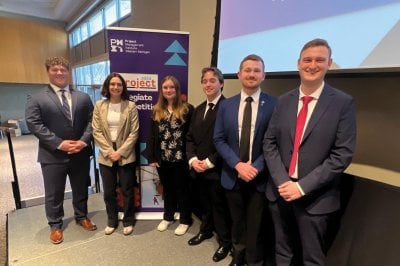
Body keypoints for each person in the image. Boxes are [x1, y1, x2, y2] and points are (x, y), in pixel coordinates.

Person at [263, 38, 357, 265]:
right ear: (298, 63)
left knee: (312, 258)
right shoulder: (283, 101)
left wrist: (301, 187)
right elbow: (269, 143)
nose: (312, 65)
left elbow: (342, 155)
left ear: (329, 63)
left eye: (319, 60)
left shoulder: (343, 103)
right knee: (282, 253)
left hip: (316, 198)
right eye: (307, 59)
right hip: (280, 192)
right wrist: (283, 182)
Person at [214, 54, 277, 266]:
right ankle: (238, 255)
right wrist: (238, 164)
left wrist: (255, 167)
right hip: (233, 174)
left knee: (257, 223)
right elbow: (219, 139)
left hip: (259, 176)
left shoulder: (274, 104)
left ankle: (254, 260)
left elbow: (274, 142)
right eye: (247, 70)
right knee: (237, 220)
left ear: (263, 75)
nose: (251, 74)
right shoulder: (226, 105)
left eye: (256, 70)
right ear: (239, 74)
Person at [25, 57, 96, 244]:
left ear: (68, 72)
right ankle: (55, 225)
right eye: (55, 69)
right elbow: (34, 123)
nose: (59, 73)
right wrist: (59, 143)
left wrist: (83, 141)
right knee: (54, 192)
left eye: (63, 69)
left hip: (80, 153)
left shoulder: (83, 97)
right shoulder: (37, 97)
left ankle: (82, 217)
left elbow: (92, 121)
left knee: (81, 188)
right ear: (48, 71)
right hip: (52, 154)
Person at [186, 67, 232, 262]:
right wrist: (193, 159)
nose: (208, 84)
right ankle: (205, 231)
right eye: (205, 81)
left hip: (218, 169)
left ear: (221, 83)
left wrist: (210, 161)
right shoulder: (198, 110)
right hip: (198, 169)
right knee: (204, 205)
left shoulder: (229, 108)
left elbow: (230, 141)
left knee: (220, 208)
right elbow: (189, 138)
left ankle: (224, 242)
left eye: (212, 81)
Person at [92, 72, 139, 236]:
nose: (116, 87)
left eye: (119, 84)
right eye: (112, 84)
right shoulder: (99, 105)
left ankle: (128, 220)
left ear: (123, 87)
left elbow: (134, 132)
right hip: (106, 154)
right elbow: (96, 131)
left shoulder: (130, 106)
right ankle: (112, 220)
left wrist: (120, 152)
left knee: (127, 189)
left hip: (125, 153)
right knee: (109, 191)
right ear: (107, 86)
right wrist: (109, 151)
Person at [147, 75, 194, 236]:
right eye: (165, 87)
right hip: (163, 158)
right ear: (162, 90)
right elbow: (152, 136)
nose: (168, 90)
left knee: (183, 190)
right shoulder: (157, 110)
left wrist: (191, 157)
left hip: (181, 159)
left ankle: (185, 220)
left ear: (177, 89)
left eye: (171, 87)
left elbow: (191, 136)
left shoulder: (187, 109)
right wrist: (151, 157)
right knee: (168, 189)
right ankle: (168, 216)